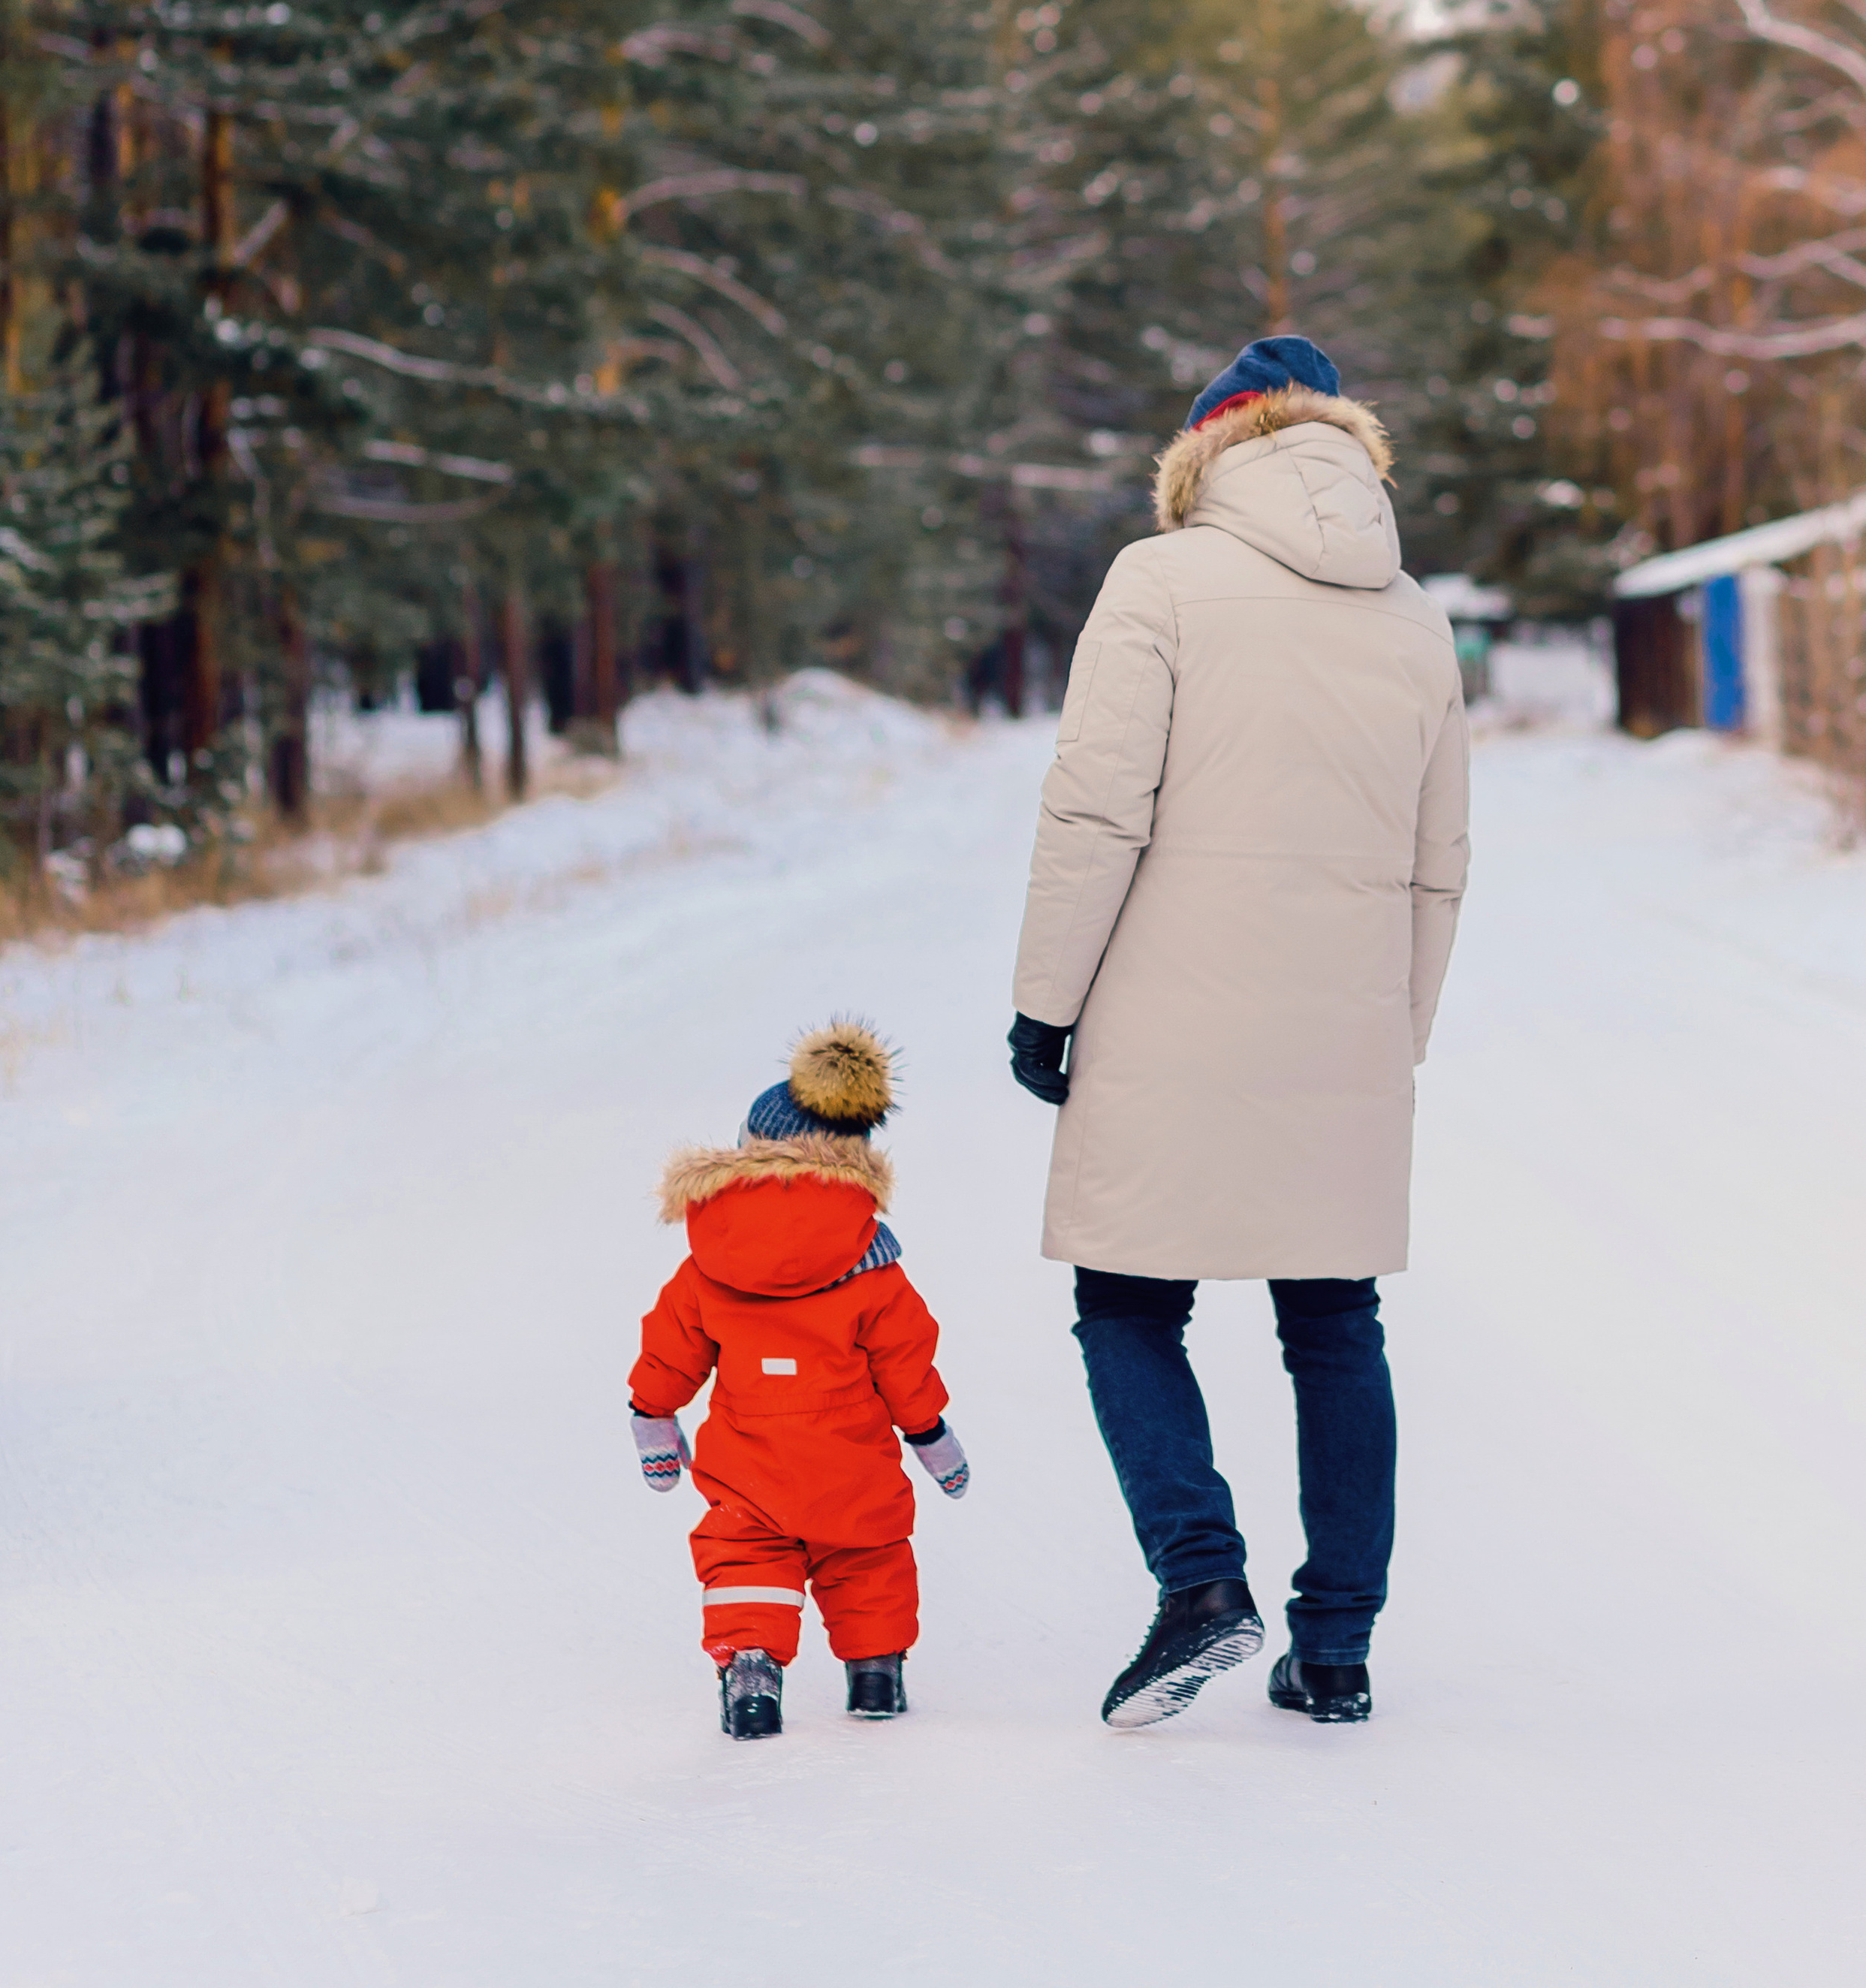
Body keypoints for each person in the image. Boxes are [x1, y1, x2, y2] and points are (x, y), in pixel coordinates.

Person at [1009, 335, 1469, 1730]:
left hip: (1166, 1016)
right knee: (1335, 1323)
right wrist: (1398, 1033)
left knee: (1128, 1301)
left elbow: (1098, 811)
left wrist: (1047, 1006)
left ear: (1208, 448)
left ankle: (1202, 1582)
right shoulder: (1417, 618)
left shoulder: (1160, 580)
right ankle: (1336, 1646)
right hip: (1344, 1029)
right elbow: (1440, 861)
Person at [628, 1020, 970, 1740]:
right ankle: (876, 1672)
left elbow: (671, 1344)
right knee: (869, 1550)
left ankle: (751, 1668)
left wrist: (653, 1414)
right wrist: (931, 1434)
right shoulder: (874, 1265)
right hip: (852, 1457)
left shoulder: (708, 1259)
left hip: (750, 1460)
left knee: (747, 1552)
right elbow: (907, 1358)